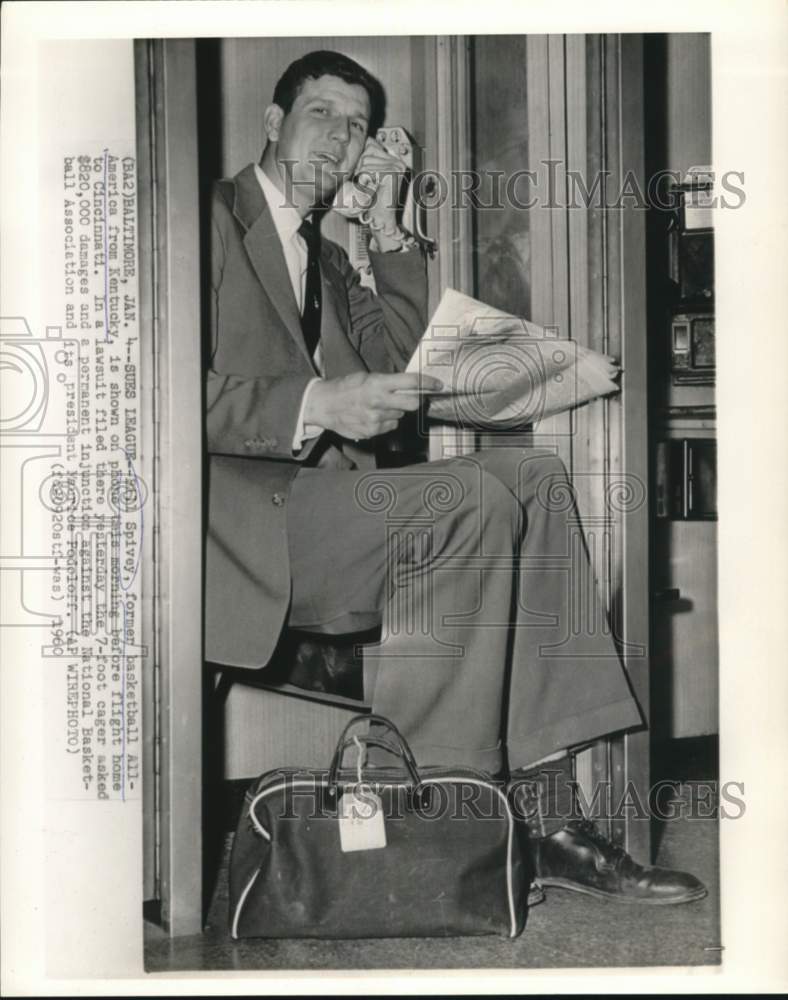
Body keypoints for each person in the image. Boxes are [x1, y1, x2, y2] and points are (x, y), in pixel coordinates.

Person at [206, 49, 706, 906]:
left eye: (357, 125)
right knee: (470, 493)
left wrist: (389, 230)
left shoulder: (325, 256)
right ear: (273, 122)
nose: (341, 136)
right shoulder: (205, 218)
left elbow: (399, 360)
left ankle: (549, 820)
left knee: (536, 477)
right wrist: (316, 402)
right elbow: (159, 396)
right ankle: (430, 822)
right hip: (248, 525)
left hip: (329, 518)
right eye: (323, 113)